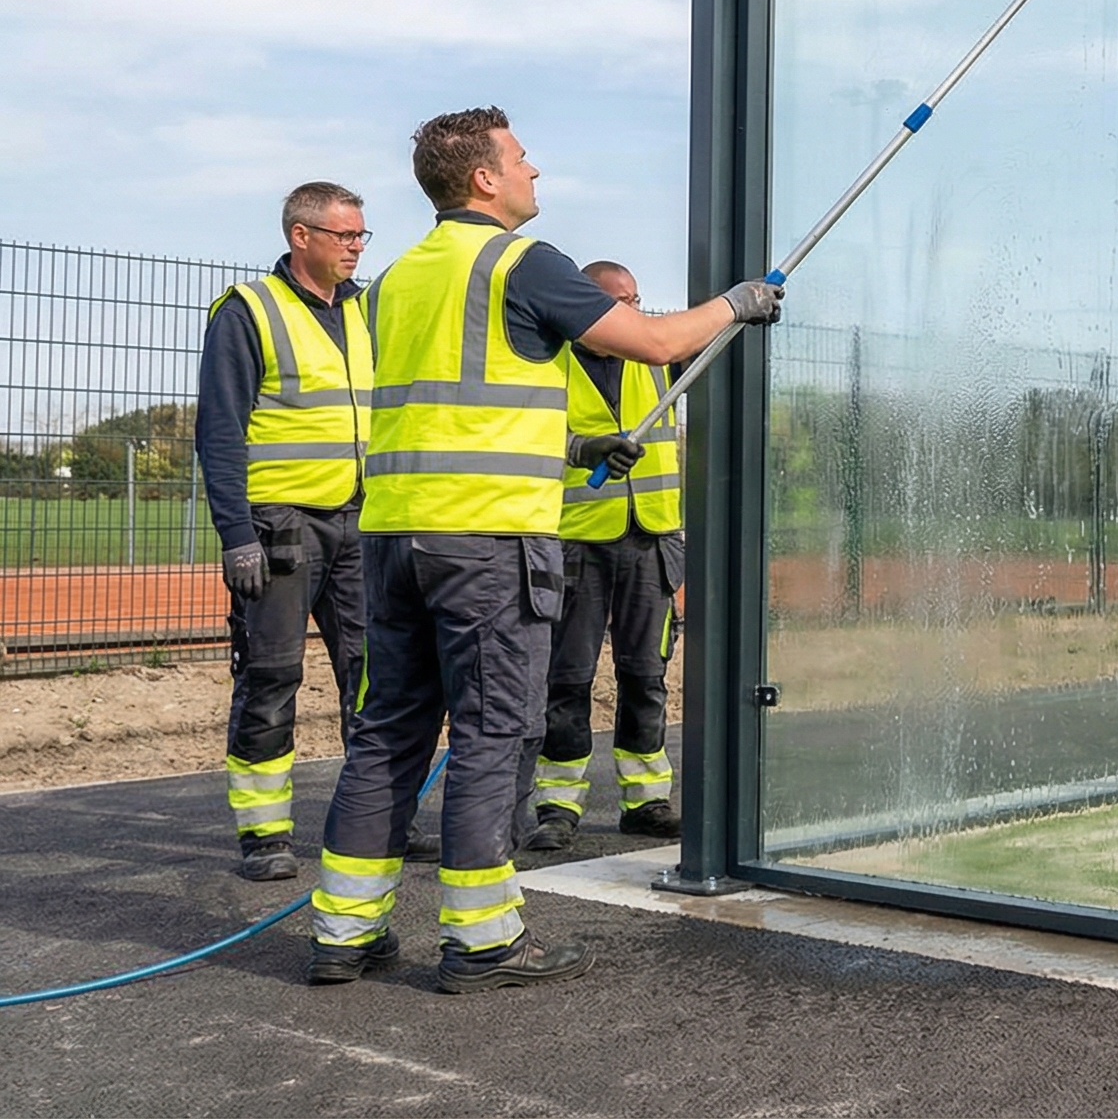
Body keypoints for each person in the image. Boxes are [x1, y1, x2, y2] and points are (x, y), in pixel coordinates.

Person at [306, 107, 783, 991]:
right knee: (494, 732)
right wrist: (739, 304)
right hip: (486, 543)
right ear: (483, 178)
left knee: (389, 734)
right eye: (522, 159)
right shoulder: (521, 261)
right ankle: (483, 942)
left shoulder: (402, 277)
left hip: (393, 539)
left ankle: (343, 931)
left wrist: (575, 449)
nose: (535, 172)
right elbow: (654, 340)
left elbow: (450, 403)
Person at [195, 182, 379, 882]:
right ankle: (265, 833)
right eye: (345, 237)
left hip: (363, 524)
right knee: (272, 674)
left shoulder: (368, 313)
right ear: (302, 236)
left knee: (373, 679)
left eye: (363, 236)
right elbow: (220, 430)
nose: (357, 249)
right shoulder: (249, 313)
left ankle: (374, 819)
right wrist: (235, 533)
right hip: (280, 527)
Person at [525, 259, 686, 851]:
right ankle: (558, 806)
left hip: (650, 541)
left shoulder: (657, 361)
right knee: (566, 679)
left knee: (646, 675)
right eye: (620, 303)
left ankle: (645, 800)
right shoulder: (548, 362)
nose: (633, 313)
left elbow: (710, 339)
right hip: (576, 545)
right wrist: (580, 448)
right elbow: (527, 435)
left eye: (637, 301)